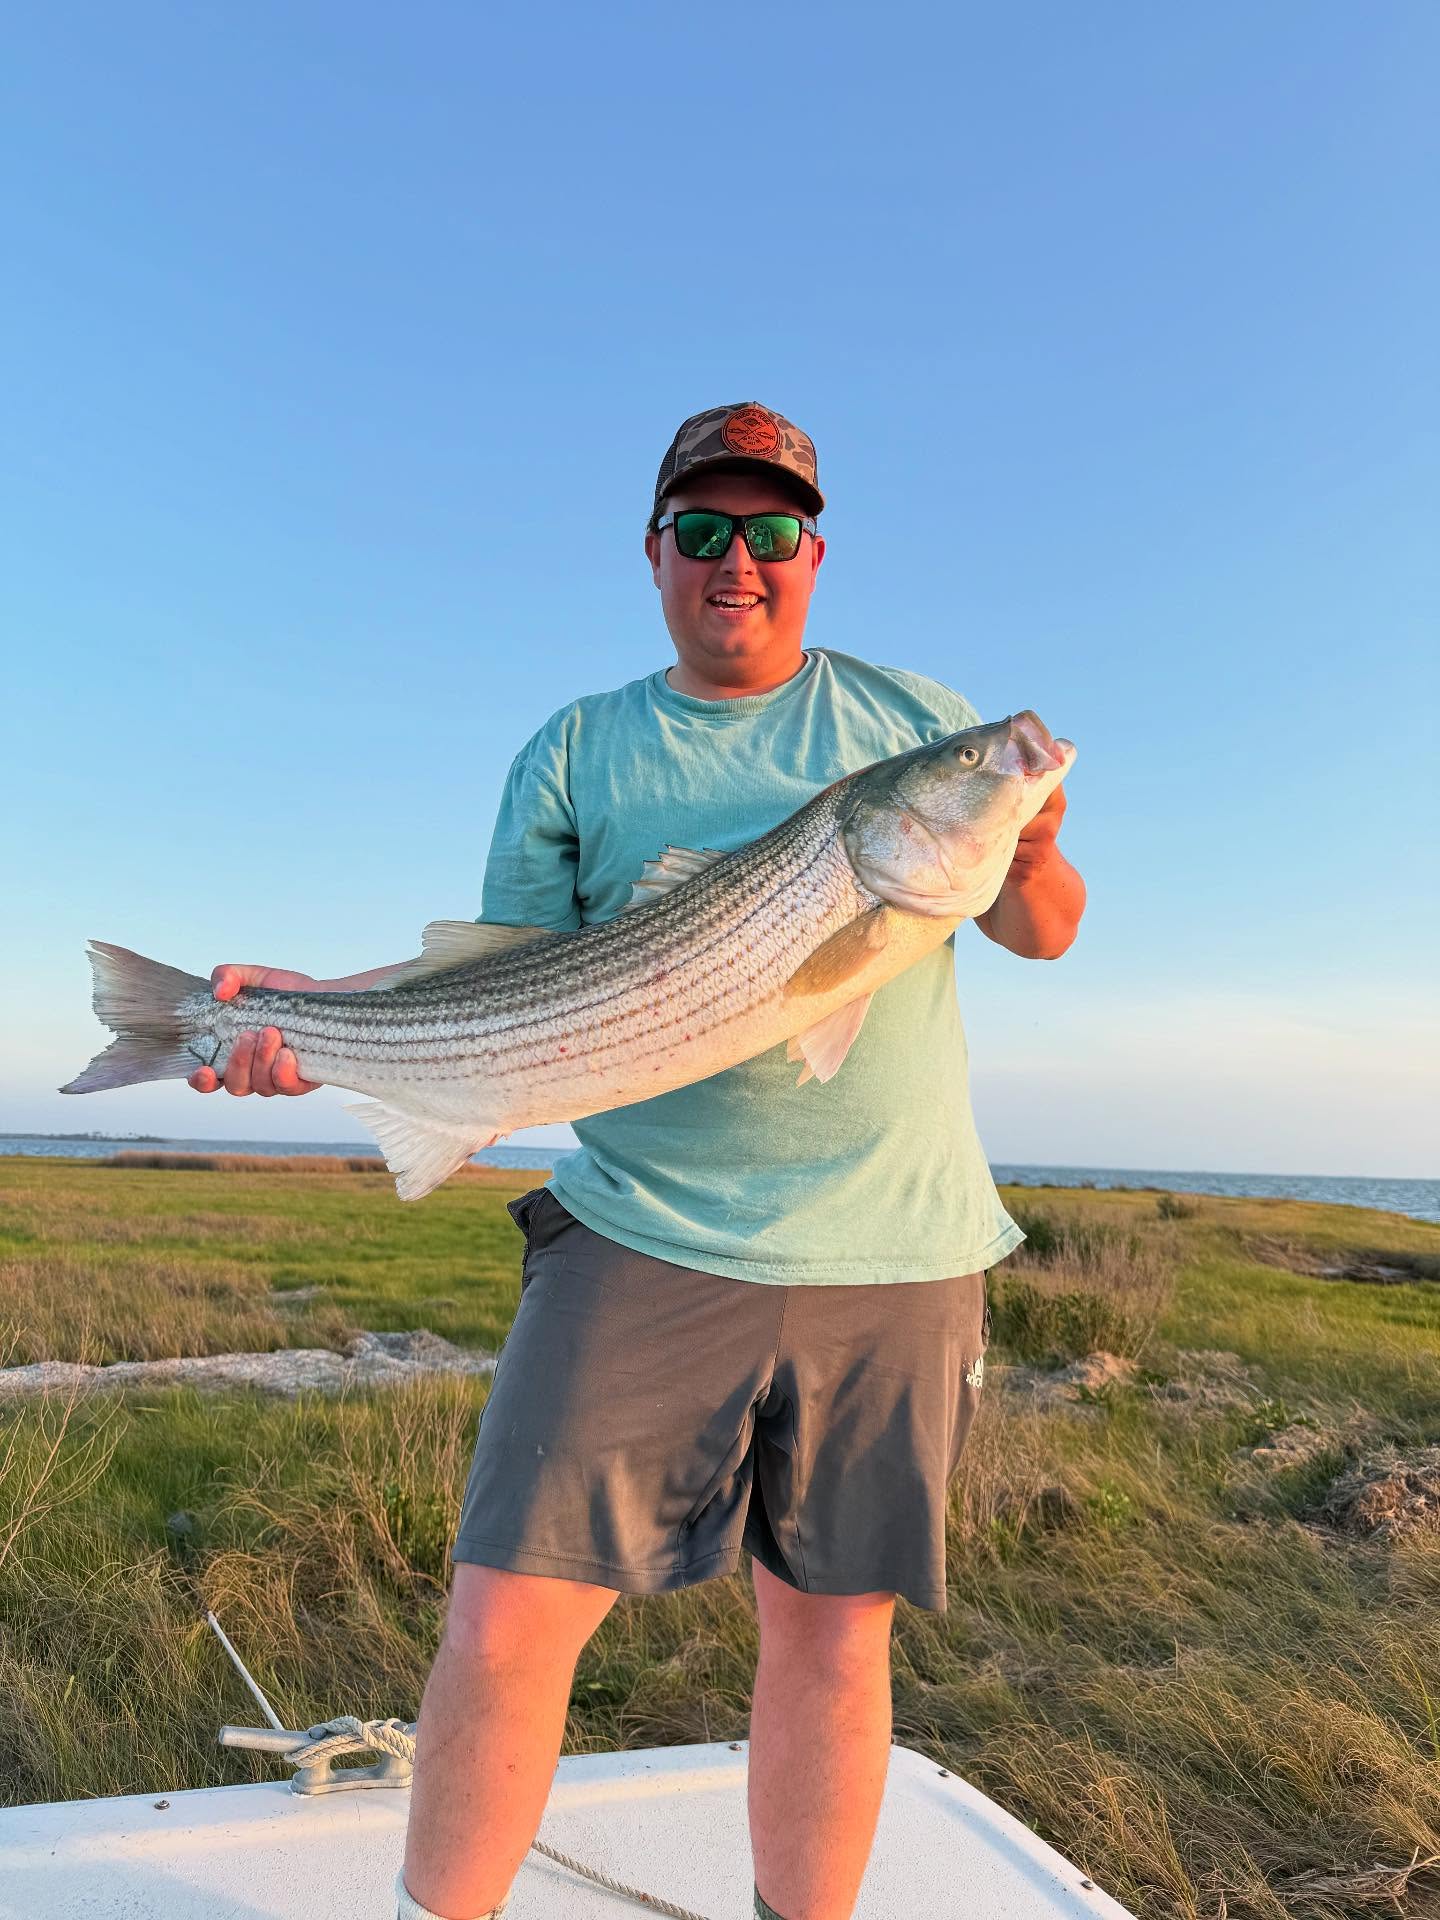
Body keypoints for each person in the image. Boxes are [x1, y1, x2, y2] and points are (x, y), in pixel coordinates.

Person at [191, 402, 1086, 1920]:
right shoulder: (578, 746)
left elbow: (1041, 925)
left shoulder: (906, 720)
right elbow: (502, 982)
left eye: (775, 531)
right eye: (706, 530)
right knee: (506, 1624)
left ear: (814, 553)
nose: (741, 560)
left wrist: (1028, 826)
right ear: (657, 551)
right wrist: (312, 1017)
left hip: (895, 1249)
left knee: (831, 1635)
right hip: (640, 1238)